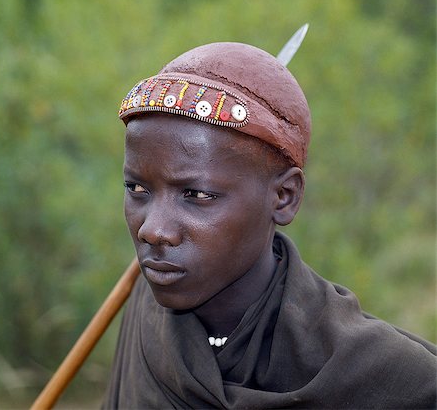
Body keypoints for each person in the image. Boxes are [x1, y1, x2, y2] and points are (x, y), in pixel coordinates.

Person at [103, 42, 436, 409]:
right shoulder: (145, 307)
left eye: (197, 194)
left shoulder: (389, 378)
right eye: (137, 188)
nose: (153, 229)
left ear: (284, 197)